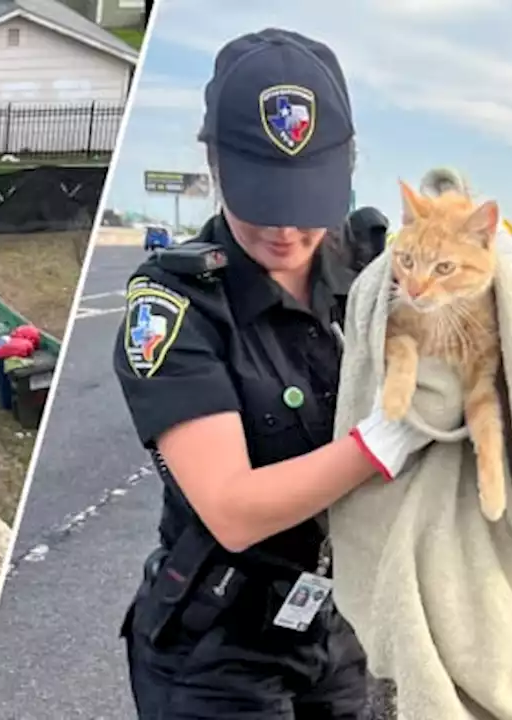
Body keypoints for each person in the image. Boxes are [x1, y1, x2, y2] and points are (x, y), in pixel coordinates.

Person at [112, 29, 434, 718]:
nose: (285, 232)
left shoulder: (378, 270)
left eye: (305, 204)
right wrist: (381, 444)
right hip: (219, 647)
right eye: (264, 200)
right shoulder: (176, 304)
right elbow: (231, 509)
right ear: (217, 164)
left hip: (341, 624)